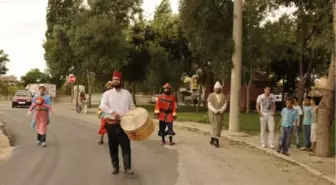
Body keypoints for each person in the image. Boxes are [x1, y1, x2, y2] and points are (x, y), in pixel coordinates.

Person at [99, 71, 135, 175]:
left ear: (121, 81)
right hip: (111, 124)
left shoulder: (127, 94)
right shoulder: (107, 94)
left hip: (124, 125)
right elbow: (102, 106)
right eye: (114, 79)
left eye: (117, 80)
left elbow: (132, 107)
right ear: (112, 81)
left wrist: (134, 115)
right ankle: (115, 166)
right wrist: (112, 112)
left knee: (126, 146)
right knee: (113, 146)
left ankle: (127, 168)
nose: (115, 81)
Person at [207, 81, 227, 148]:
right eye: (216, 89)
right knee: (215, 126)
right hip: (212, 114)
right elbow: (209, 105)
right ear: (214, 89)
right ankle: (216, 140)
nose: (217, 90)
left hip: (220, 114)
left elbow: (225, 105)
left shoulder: (223, 96)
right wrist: (215, 111)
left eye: (218, 89)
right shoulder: (211, 95)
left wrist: (220, 110)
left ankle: (212, 139)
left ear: (220, 89)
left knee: (219, 127)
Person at [97, 81, 113, 145]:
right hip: (104, 113)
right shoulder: (104, 94)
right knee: (102, 126)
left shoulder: (115, 95)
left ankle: (112, 141)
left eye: (110, 86)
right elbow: (100, 104)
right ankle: (101, 140)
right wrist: (99, 113)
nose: (109, 87)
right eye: (108, 86)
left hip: (111, 113)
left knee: (112, 127)